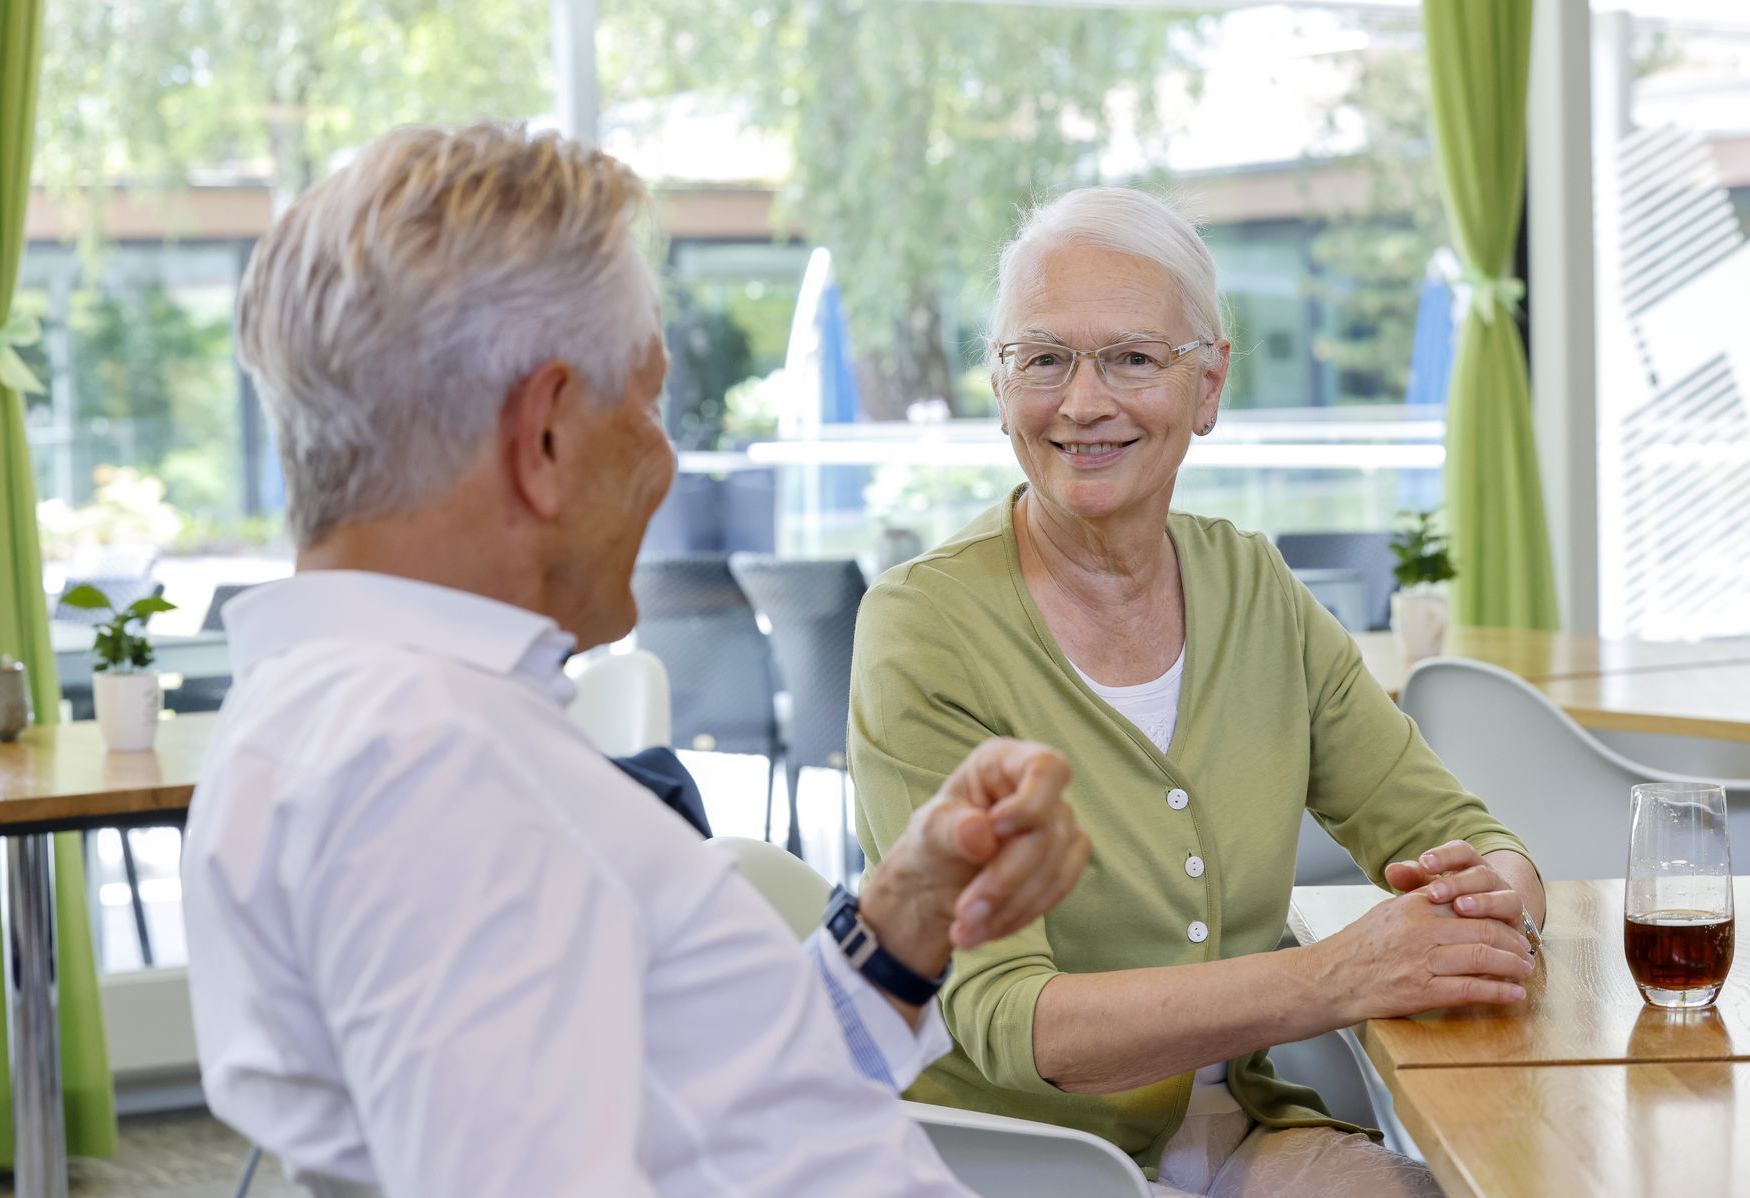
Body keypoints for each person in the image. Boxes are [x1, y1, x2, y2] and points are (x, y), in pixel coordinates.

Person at [179, 123, 1090, 1198]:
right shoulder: (431, 768)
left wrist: (900, 922)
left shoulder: (366, 716)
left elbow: (707, 1112)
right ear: (547, 436)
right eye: (649, 403)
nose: (663, 460)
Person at [847, 186, 1547, 1197]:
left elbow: (1457, 829)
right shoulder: (925, 624)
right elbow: (1007, 1020)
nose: (1082, 402)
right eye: (1043, 359)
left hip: (1242, 1136)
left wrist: (1494, 891)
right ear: (1002, 388)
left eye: (1132, 358)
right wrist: (1334, 978)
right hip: (1016, 1164)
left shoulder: (1255, 588)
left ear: (1209, 383)